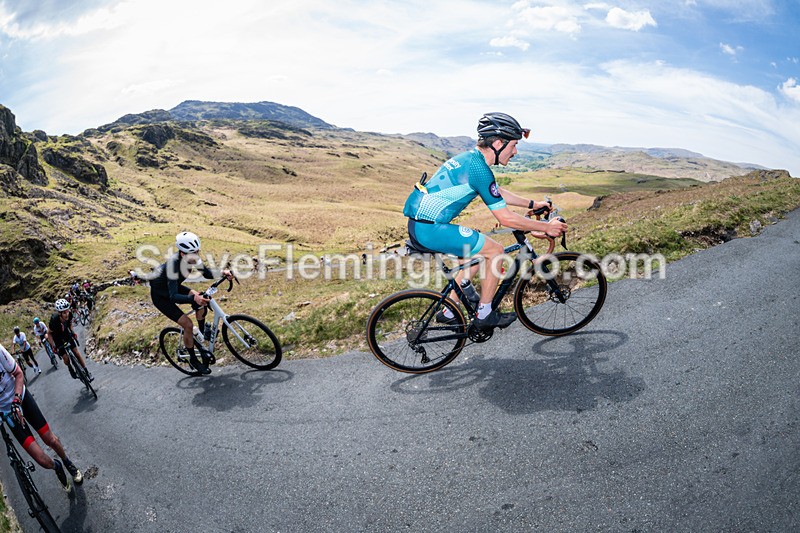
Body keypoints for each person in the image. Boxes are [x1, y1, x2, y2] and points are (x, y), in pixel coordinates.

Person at [402, 112, 568, 330]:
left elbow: (494, 191)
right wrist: (547, 227)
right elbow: (505, 217)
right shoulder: (479, 169)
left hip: (422, 225)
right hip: (431, 229)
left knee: (476, 253)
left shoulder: (471, 159)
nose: (515, 152)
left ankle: (450, 308)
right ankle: (485, 314)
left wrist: (531, 204)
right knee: (495, 251)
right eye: (514, 145)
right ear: (499, 143)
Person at [0, 342, 82, 492]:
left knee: (50, 439)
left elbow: (18, 373)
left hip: (21, 398)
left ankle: (67, 461)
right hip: (7, 413)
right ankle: (57, 466)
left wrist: (17, 400)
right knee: (40, 459)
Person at [149, 231, 233, 375]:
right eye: (192, 254)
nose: (195, 256)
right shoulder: (173, 266)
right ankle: (193, 360)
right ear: (182, 254)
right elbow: (173, 296)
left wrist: (222, 272)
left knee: (202, 300)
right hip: (162, 296)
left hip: (173, 287)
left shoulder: (192, 256)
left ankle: (201, 334)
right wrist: (193, 298)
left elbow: (206, 273)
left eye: (197, 252)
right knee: (187, 324)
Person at [47, 299, 93, 381]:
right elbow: (49, 334)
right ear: (59, 313)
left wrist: (73, 332)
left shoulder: (70, 314)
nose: (67, 314)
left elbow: (70, 323)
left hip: (66, 334)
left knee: (76, 353)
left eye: (67, 311)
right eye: (64, 313)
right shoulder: (54, 320)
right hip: (57, 338)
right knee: (66, 359)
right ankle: (70, 367)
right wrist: (53, 346)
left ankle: (87, 371)